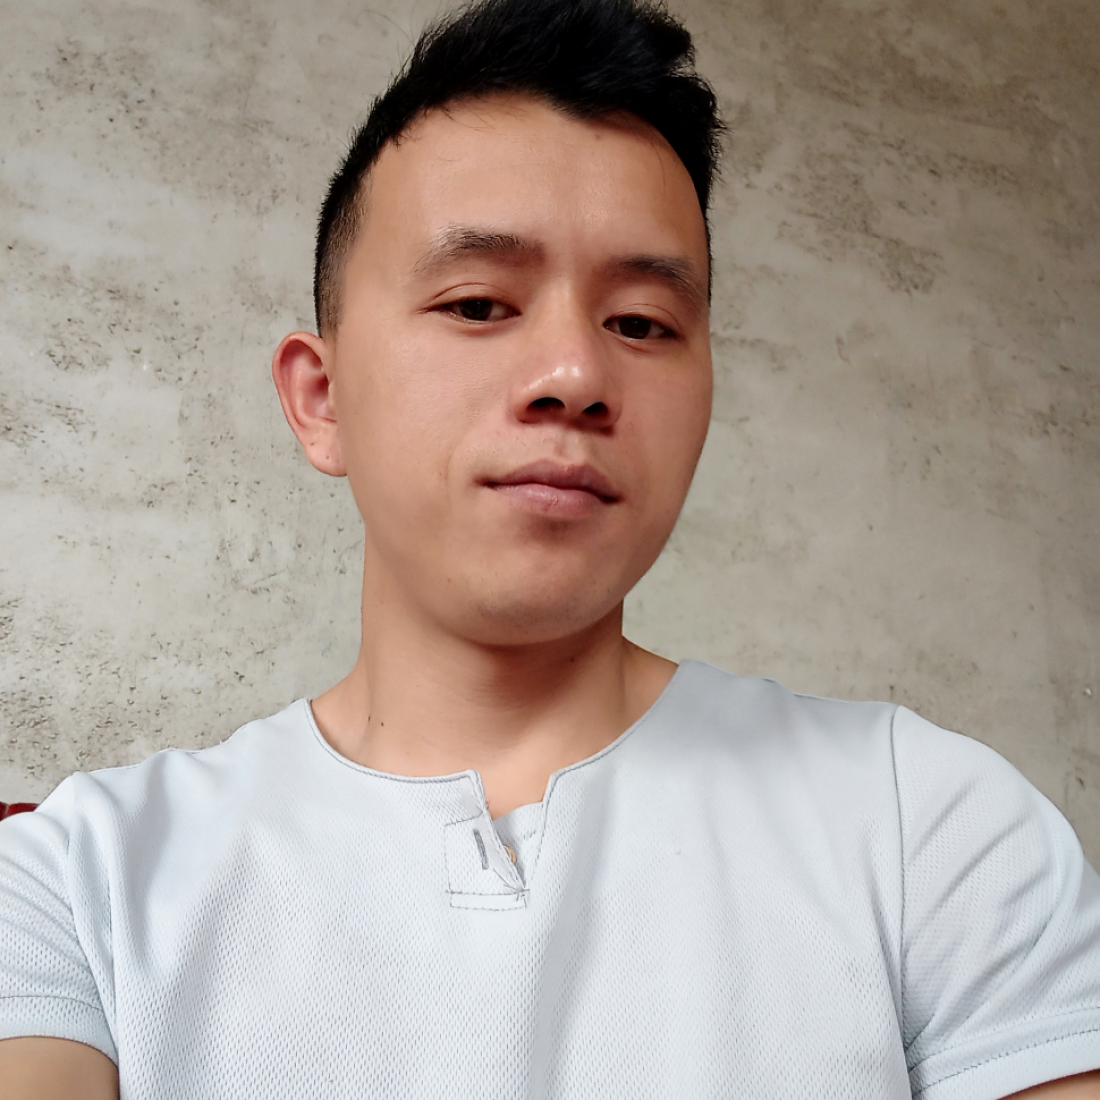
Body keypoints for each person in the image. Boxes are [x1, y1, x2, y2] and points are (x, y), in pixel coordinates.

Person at [1, 0, 1098, 1095]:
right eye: (480, 304)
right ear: (321, 398)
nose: (574, 375)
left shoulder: (926, 827)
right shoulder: (76, 884)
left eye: (641, 323)